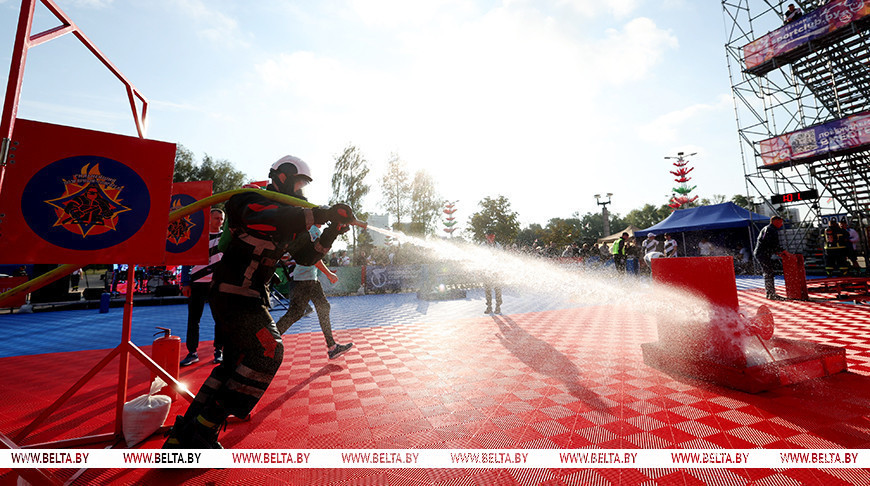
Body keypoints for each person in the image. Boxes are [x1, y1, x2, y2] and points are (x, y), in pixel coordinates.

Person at [163, 155, 355, 449]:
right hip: (234, 294)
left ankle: (184, 435)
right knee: (269, 350)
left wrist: (331, 231)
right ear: (283, 177)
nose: (302, 190)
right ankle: (206, 426)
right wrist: (320, 213)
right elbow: (267, 216)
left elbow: (306, 256)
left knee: (233, 364)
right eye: (299, 183)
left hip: (249, 296)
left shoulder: (293, 218)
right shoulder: (249, 199)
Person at [275, 224, 353, 360]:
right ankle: (267, 340)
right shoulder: (313, 231)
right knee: (296, 313)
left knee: (318, 308)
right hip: (305, 279)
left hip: (308, 279)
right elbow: (314, 260)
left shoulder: (309, 230)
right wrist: (329, 274)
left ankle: (332, 346)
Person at [180, 208, 226, 367]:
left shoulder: (226, 239)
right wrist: (185, 283)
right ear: (209, 219)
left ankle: (219, 350)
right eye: (216, 218)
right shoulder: (198, 237)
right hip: (197, 283)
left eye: (221, 219)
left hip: (217, 284)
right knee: (194, 319)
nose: (219, 221)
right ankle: (192, 352)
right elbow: (186, 259)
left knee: (220, 319)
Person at [755, 215, 786, 300]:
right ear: (775, 221)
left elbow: (769, 244)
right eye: (780, 222)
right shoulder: (770, 229)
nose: (781, 224)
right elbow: (771, 243)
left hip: (763, 253)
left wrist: (778, 252)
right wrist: (782, 251)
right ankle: (770, 293)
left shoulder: (769, 229)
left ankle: (770, 293)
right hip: (762, 254)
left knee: (769, 272)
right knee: (769, 272)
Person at [482, 232, 503, 314]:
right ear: (486, 236)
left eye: (492, 236)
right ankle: (489, 307)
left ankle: (498, 307)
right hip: (487, 271)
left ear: (494, 237)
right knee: (487, 290)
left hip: (496, 271)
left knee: (497, 289)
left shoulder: (498, 246)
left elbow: (501, 257)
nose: (491, 238)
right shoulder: (483, 245)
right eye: (489, 236)